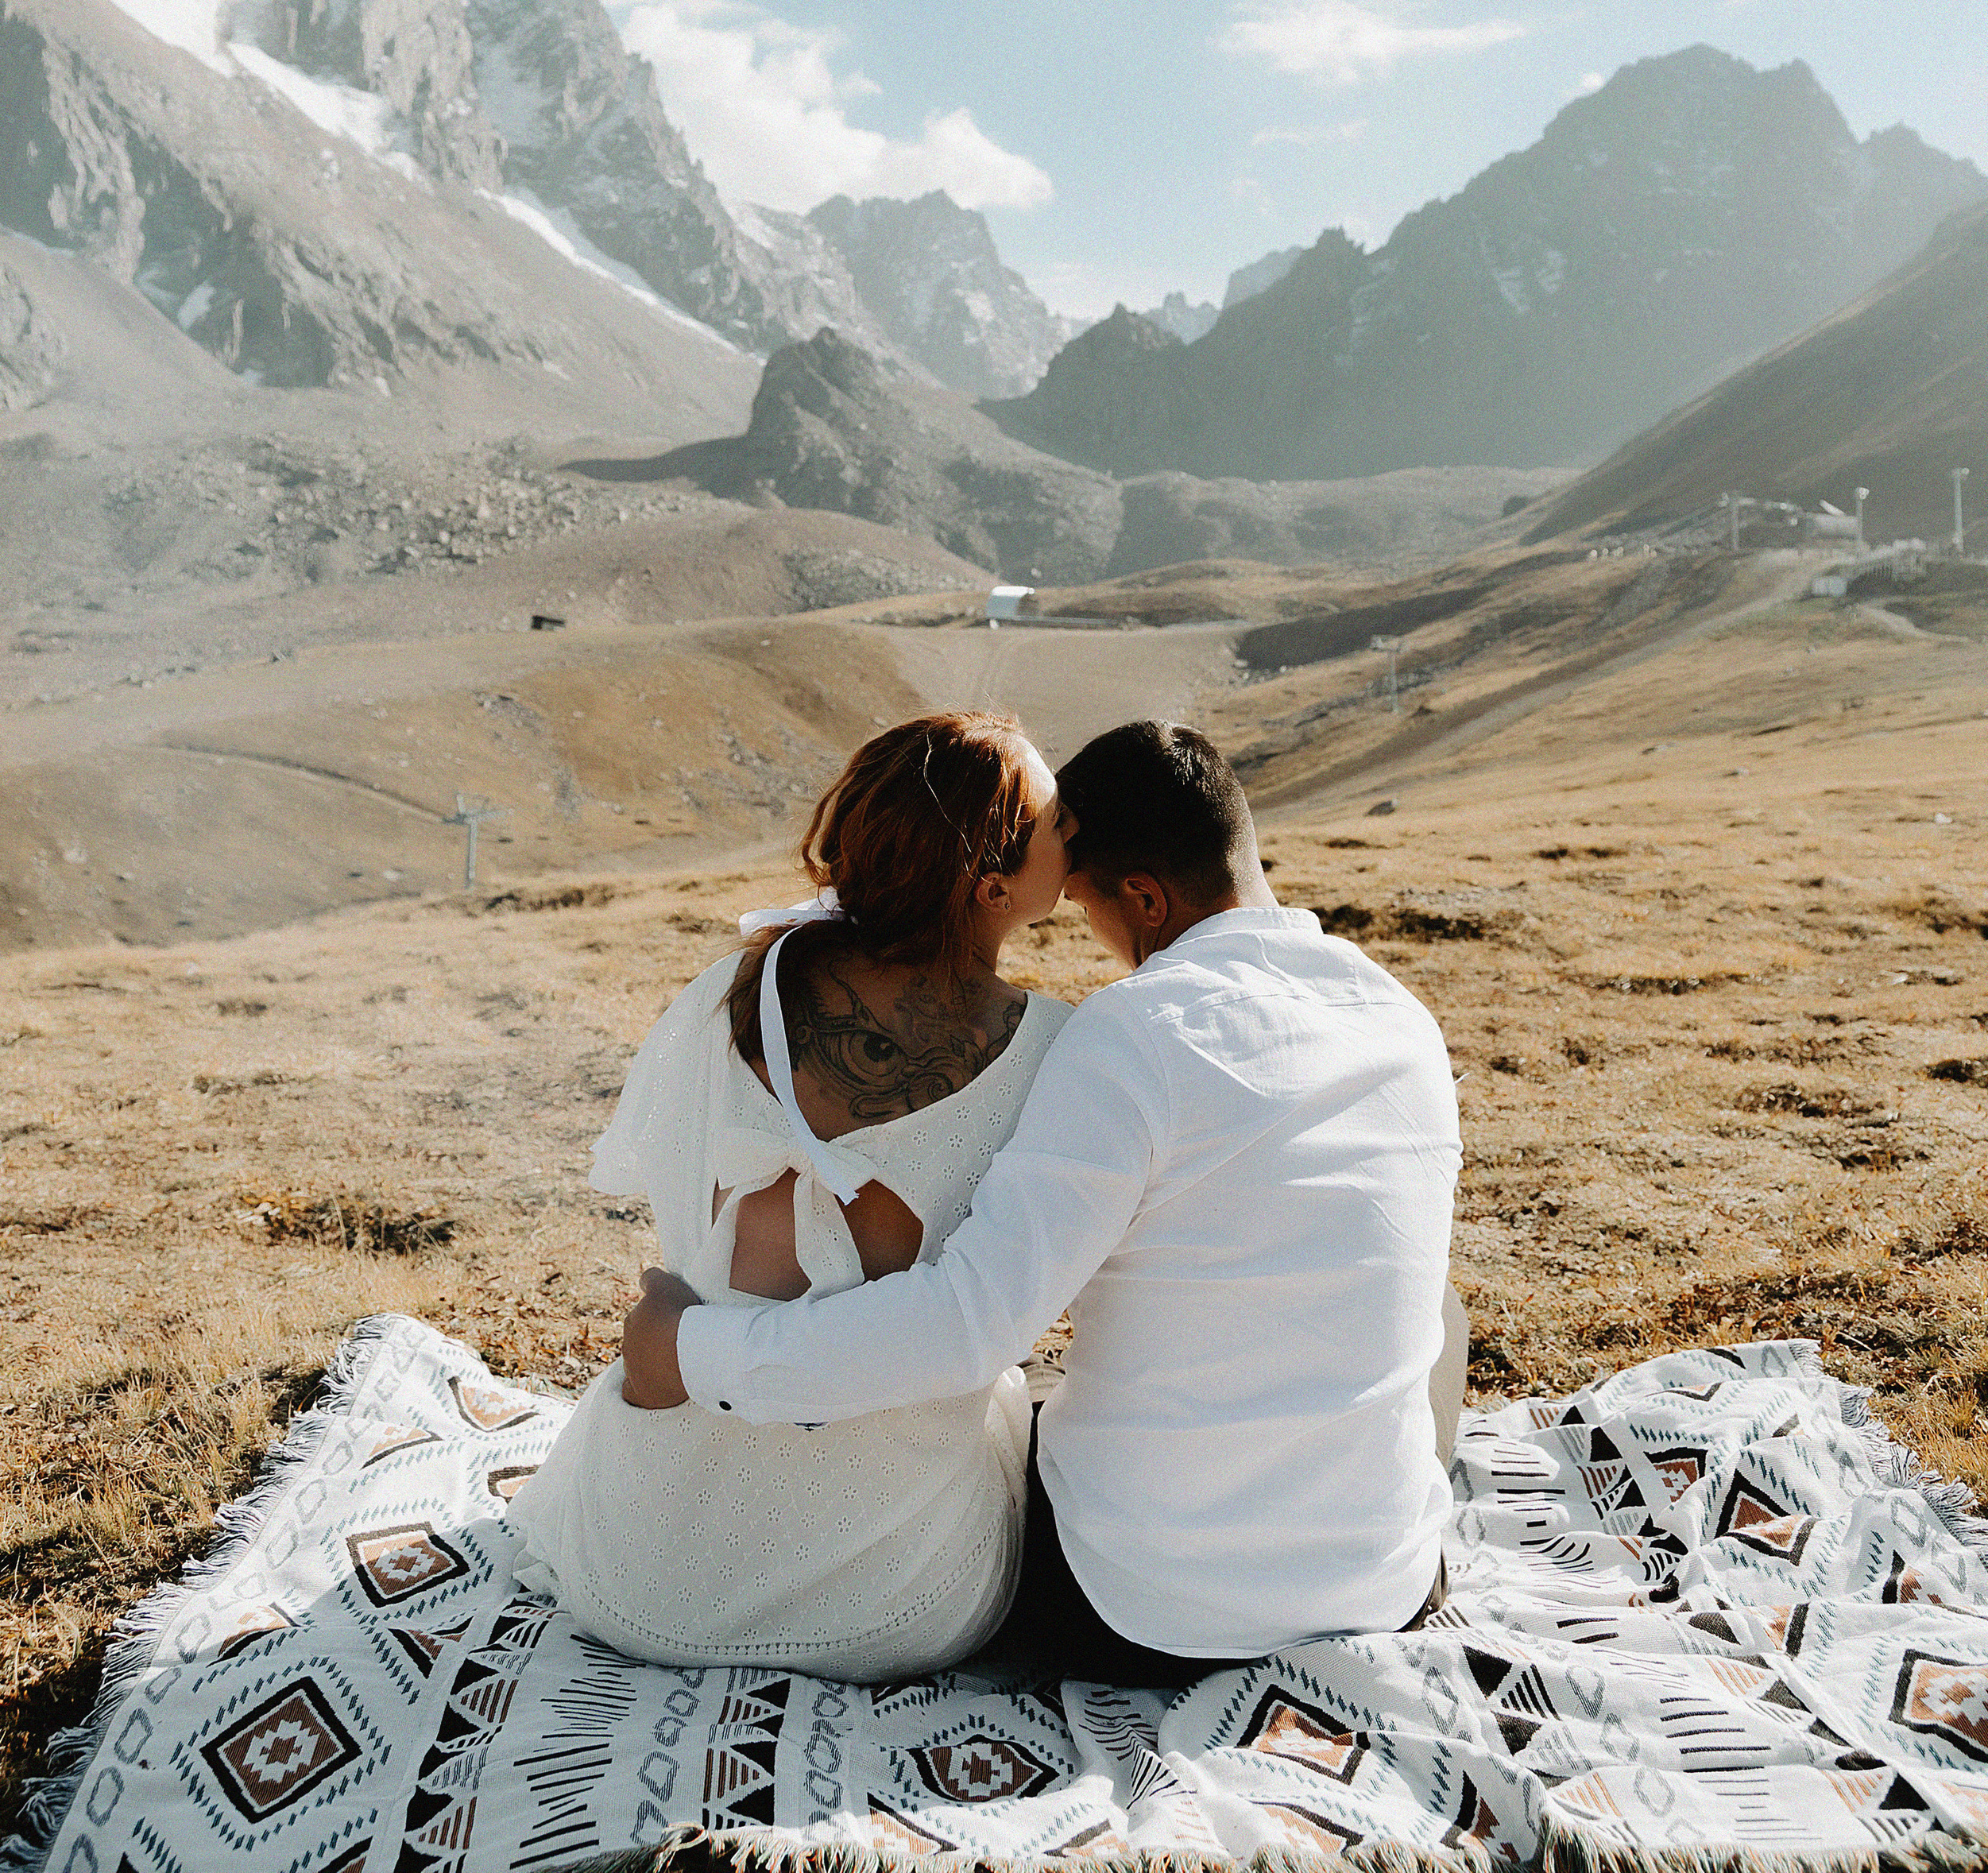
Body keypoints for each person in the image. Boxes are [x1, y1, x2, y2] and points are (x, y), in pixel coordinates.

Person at [625, 720, 1464, 1684]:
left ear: (1142, 899)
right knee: (1438, 1307)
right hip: (1383, 1591)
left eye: (1085, 904)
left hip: (1144, 1616)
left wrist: (689, 1350)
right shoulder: (1403, 1020)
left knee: (1031, 1399)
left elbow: (967, 1327)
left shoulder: (1130, 1034)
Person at [509, 710, 1074, 1676]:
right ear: (992, 887)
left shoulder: (730, 993)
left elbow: (681, 1216)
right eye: (1062, 824)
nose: (1078, 838)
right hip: (893, 1606)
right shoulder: (1057, 1052)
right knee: (1018, 1402)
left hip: (632, 1570)